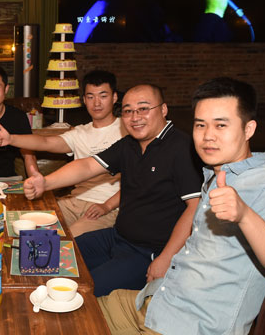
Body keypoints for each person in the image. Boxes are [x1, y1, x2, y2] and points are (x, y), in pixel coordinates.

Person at [99, 77, 265, 335]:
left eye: (221, 125)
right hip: (158, 301)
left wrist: (245, 215)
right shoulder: (214, 174)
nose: (208, 136)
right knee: (73, 319)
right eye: (200, 125)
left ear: (249, 129)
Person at [24, 84, 202, 297]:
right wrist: (45, 183)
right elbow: (88, 166)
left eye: (143, 109)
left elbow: (195, 207)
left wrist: (165, 258)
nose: (135, 117)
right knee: (48, 257)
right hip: (117, 237)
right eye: (128, 111)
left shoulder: (182, 148)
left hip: (148, 253)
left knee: (84, 291)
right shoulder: (129, 144)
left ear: (163, 109)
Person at [0, 70, 124, 236]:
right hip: (73, 202)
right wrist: (11, 139)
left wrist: (107, 206)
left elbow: (136, 183)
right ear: (84, 100)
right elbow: (45, 142)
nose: (96, 103)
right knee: (24, 225)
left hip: (107, 207)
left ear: (114, 97)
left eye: (103, 96)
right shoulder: (79, 132)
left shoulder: (126, 130)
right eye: (91, 97)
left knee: (64, 241)